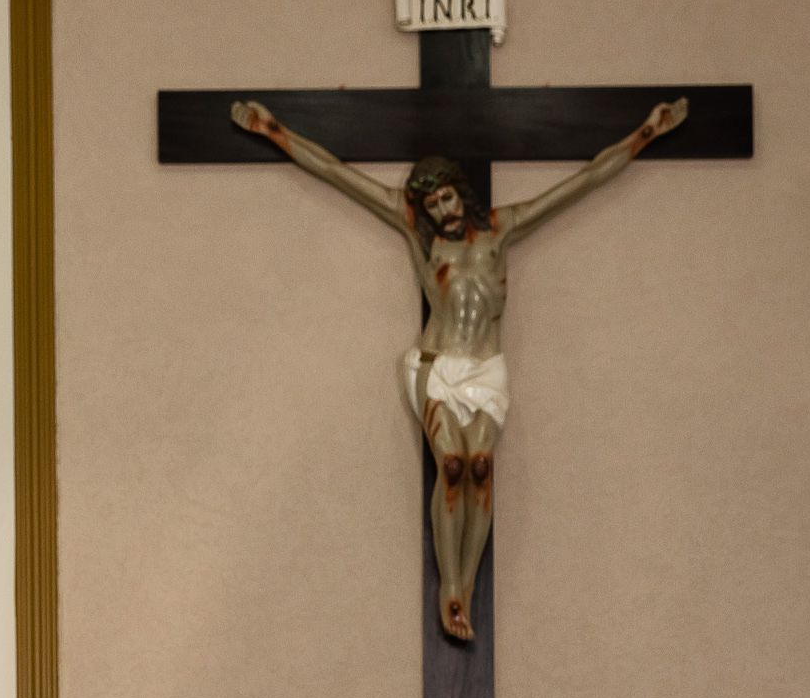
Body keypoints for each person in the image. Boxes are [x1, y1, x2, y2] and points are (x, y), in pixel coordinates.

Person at [229, 95, 687, 643]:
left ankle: (465, 586)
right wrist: (274, 131)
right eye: (431, 205)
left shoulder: (500, 227)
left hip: (486, 367)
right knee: (452, 467)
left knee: (481, 470)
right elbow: (336, 172)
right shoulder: (416, 230)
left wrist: (646, 134)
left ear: (459, 192)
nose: (441, 211)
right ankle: (450, 587)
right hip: (437, 364)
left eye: (446, 197)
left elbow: (582, 181)